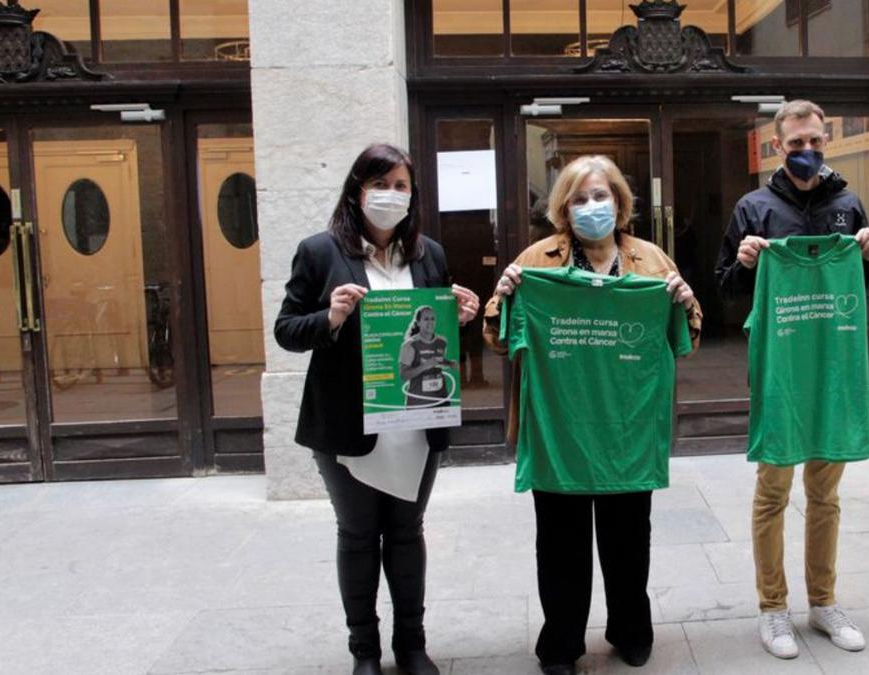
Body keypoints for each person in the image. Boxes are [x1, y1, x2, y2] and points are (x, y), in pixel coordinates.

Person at [483, 155, 701, 675]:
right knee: (561, 546)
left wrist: (686, 302)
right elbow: (500, 339)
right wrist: (504, 296)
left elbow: (685, 340)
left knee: (629, 540)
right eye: (579, 198)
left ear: (620, 203)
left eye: (600, 196)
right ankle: (560, 643)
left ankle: (631, 630)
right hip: (561, 427)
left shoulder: (651, 260)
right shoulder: (537, 261)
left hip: (628, 426)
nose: (591, 207)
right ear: (563, 207)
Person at [274, 143, 479, 675]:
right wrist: (331, 316)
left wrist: (460, 317)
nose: (391, 195)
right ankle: (364, 650)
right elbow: (286, 331)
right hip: (347, 422)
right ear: (357, 190)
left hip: (414, 420)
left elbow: (432, 331)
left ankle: (412, 645)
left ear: (413, 196)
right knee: (359, 535)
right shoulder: (319, 252)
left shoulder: (428, 254)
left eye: (401, 186)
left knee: (408, 533)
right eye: (380, 184)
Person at [714, 100, 869, 659]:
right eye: (795, 144)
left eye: (814, 141)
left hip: (831, 367)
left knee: (825, 494)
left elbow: (862, 284)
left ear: (826, 140)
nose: (806, 152)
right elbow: (726, 290)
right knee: (773, 491)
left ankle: (823, 602)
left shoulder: (848, 204)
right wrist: (742, 262)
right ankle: (773, 609)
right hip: (783, 367)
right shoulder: (753, 208)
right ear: (776, 145)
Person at [398, 305, 454, 408]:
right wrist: (424, 366)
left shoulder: (442, 341)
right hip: (419, 403)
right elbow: (404, 375)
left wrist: (449, 363)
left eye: (433, 319)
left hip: (441, 400)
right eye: (426, 319)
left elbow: (438, 362)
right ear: (418, 322)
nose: (430, 322)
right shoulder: (409, 345)